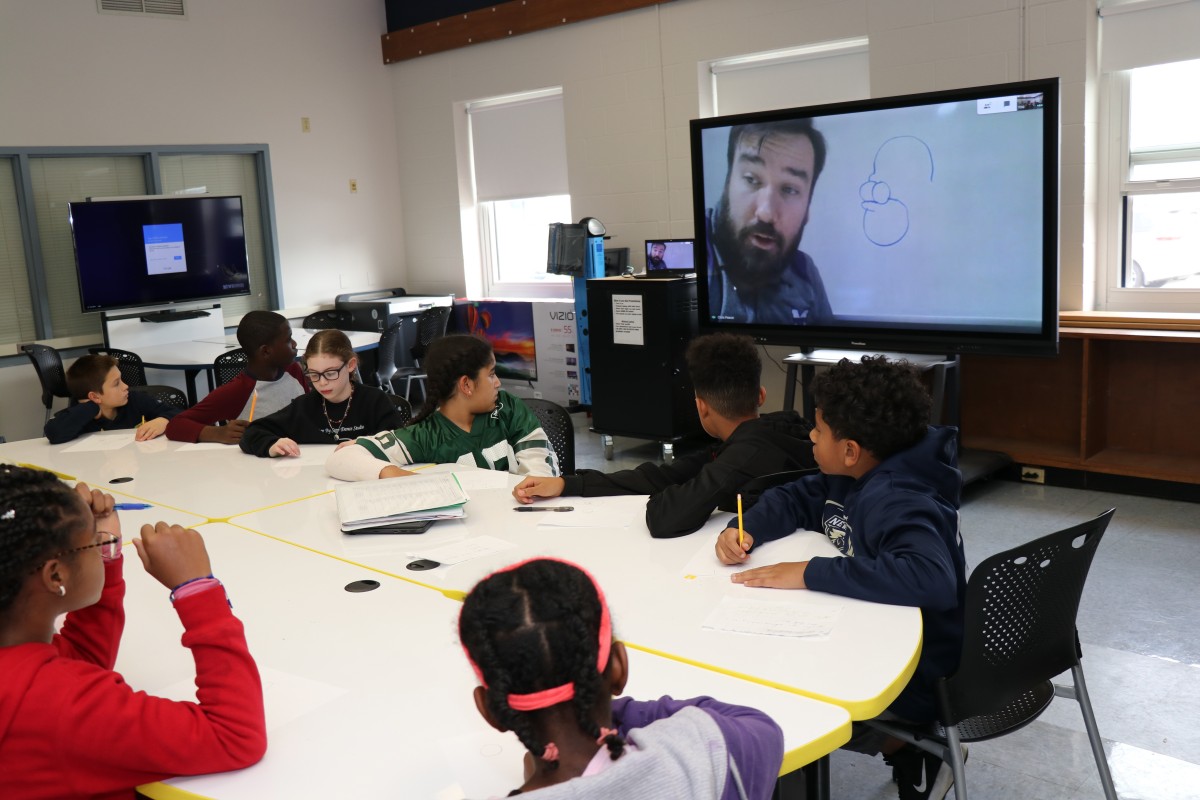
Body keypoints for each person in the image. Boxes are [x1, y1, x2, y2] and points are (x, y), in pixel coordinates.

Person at [714, 355, 965, 800]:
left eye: (818, 430)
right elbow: (798, 496)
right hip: (875, 633)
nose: (810, 437)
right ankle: (899, 747)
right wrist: (746, 526)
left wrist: (811, 573)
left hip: (917, 672)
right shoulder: (853, 475)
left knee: (777, 687)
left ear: (850, 450)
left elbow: (931, 577)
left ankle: (910, 744)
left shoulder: (897, 496)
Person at [0, 465, 266, 798]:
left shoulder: (18, 655)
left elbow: (81, 663)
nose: (101, 548)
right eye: (90, 546)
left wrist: (103, 549)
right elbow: (235, 736)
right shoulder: (59, 705)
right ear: (56, 577)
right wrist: (196, 588)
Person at [458, 557, 784, 799]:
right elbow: (760, 727)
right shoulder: (702, 752)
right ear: (618, 667)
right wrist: (596, 712)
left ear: (490, 710)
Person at [513, 333, 815, 538]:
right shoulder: (780, 430)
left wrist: (667, 493)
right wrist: (568, 483)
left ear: (701, 406)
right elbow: (661, 476)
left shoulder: (743, 454)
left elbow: (664, 518)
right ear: (761, 395)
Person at [325, 334, 558, 480]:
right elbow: (341, 459)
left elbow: (541, 473)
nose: (498, 383)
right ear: (466, 384)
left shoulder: (508, 408)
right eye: (492, 374)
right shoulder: (426, 434)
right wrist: (398, 475)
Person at [706, 119, 834, 325]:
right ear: (727, 183)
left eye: (790, 189)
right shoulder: (693, 262)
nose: (766, 213)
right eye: (751, 179)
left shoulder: (805, 273)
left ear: (808, 208)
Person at [239, 329, 406, 457]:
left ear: (350, 365)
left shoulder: (375, 401)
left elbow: (400, 442)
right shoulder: (304, 406)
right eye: (314, 374)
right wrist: (272, 445)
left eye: (330, 373)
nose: (322, 382)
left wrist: (367, 445)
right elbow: (251, 433)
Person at [165, 310, 306, 445]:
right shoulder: (237, 391)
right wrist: (217, 433)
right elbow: (175, 425)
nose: (294, 344)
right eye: (288, 339)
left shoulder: (293, 370)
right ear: (266, 351)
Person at [43, 354, 179, 444]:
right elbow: (54, 433)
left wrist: (164, 420)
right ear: (94, 396)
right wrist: (91, 408)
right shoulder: (80, 414)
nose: (126, 386)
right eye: (116, 383)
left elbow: (180, 413)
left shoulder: (134, 400)